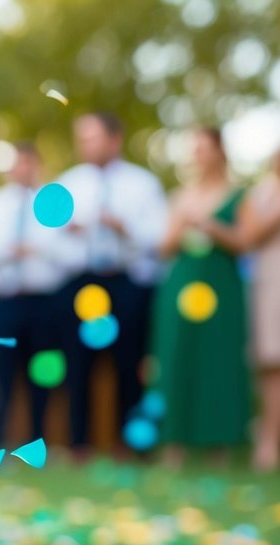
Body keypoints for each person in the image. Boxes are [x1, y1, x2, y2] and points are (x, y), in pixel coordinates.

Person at [58, 112, 167, 452]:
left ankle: (132, 446)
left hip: (127, 282)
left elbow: (162, 236)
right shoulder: (67, 184)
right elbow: (47, 241)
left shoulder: (143, 184)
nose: (85, 145)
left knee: (129, 364)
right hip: (82, 283)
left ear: (114, 139)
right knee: (78, 365)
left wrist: (126, 228)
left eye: (92, 137)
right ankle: (79, 444)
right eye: (82, 138)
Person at [151, 127, 250, 463]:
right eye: (194, 149)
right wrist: (182, 228)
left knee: (218, 361)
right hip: (181, 286)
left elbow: (245, 242)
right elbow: (164, 247)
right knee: (176, 358)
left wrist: (214, 227)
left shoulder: (238, 194)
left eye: (204, 148)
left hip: (221, 287)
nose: (198, 155)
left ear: (220, 152)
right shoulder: (181, 196)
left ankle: (218, 448)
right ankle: (173, 447)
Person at [0, 141, 65, 444]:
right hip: (6, 300)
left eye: (28, 163)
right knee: (2, 376)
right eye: (18, 163)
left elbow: (67, 251)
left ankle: (38, 441)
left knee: (43, 375)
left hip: (44, 301)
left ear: (37, 166)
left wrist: (38, 249)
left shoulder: (54, 205)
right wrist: (8, 250)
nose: (23, 169)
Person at [214, 148, 280, 471]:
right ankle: (268, 443)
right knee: (270, 364)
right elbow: (250, 237)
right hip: (270, 284)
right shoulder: (261, 193)